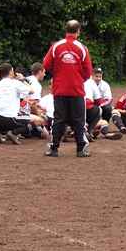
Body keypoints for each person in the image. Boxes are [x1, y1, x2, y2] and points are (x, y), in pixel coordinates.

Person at [42, 19, 93, 157]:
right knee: (78, 120)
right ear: (78, 31)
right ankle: (80, 149)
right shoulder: (82, 48)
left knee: (59, 119)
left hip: (59, 89)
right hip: (76, 90)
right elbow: (88, 71)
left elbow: (46, 65)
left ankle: (54, 148)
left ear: (66, 30)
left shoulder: (56, 46)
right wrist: (77, 79)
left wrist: (58, 75)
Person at [0, 62, 33, 145]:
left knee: (2, 120)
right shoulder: (15, 83)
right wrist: (23, 80)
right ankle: (13, 133)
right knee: (27, 124)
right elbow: (31, 91)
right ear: (11, 72)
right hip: (8, 118)